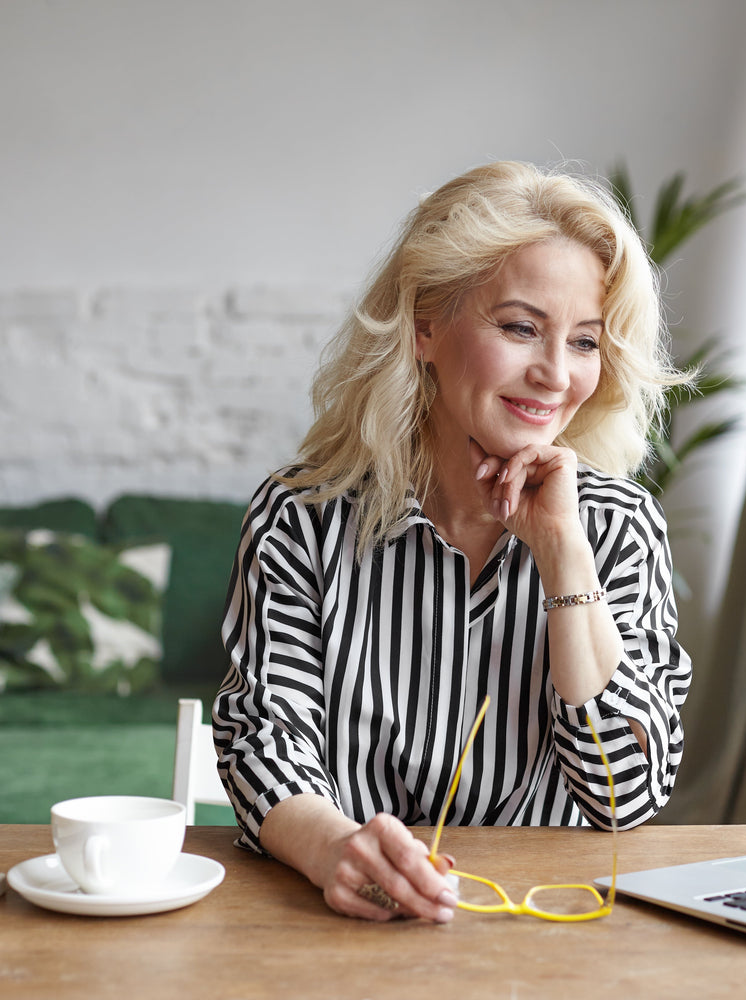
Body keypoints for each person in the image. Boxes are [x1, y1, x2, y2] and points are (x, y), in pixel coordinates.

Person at [213, 161, 692, 924]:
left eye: (584, 343)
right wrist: (341, 851)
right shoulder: (300, 517)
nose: (555, 374)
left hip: (547, 933)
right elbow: (264, 744)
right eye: (520, 327)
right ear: (425, 326)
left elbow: (622, 798)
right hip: (345, 928)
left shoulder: (618, 527)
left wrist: (565, 554)